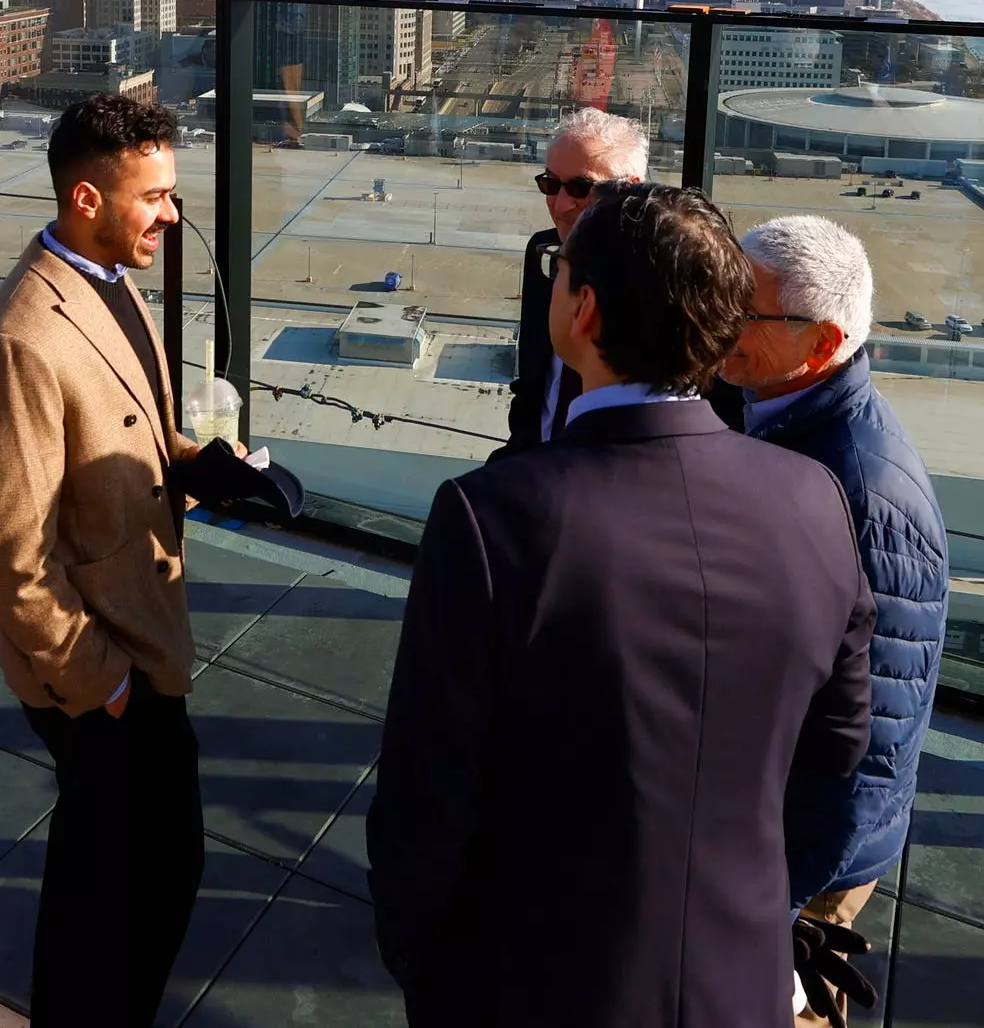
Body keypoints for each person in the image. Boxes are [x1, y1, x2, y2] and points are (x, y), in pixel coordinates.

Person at [370, 183, 877, 1027]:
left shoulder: (491, 518)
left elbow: (426, 794)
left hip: (539, 979)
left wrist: (425, 967)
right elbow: (838, 751)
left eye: (561, 271)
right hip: (737, 973)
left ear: (585, 311)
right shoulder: (815, 500)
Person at [0, 93, 218, 1028]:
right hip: (101, 667)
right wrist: (98, 682)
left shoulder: (107, 278)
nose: (172, 216)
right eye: (155, 197)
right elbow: (6, 554)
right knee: (140, 880)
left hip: (140, 635)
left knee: (107, 872)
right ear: (88, 198)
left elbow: (137, 423)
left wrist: (204, 466)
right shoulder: (20, 343)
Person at [722, 216, 947, 1025]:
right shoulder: (778, 415)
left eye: (742, 311)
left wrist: (778, 896)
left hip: (808, 862)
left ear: (819, 345)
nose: (717, 320)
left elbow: (874, 737)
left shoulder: (862, 494)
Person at [505, 107, 644, 447]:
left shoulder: (663, 277)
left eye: (581, 188)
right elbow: (533, 384)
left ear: (631, 189)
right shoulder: (543, 251)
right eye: (550, 184)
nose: (560, 204)